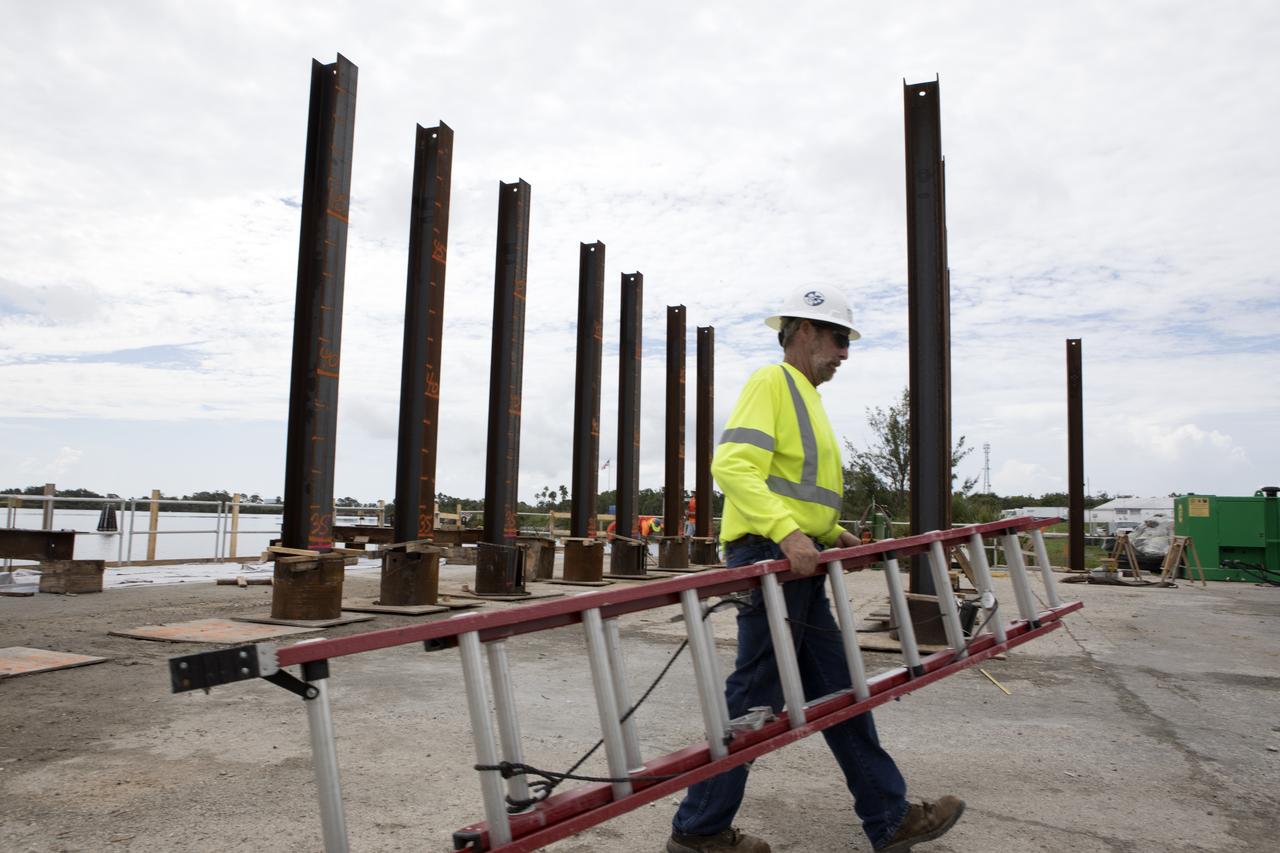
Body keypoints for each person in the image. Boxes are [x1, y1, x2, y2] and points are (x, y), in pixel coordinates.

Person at [666, 287, 964, 853]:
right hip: (768, 558)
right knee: (756, 696)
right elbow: (732, 466)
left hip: (794, 563)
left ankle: (889, 816)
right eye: (837, 338)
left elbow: (796, 489)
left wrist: (832, 533)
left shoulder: (805, 397)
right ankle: (699, 829)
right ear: (802, 331)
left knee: (839, 693)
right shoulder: (771, 383)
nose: (844, 354)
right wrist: (787, 532)